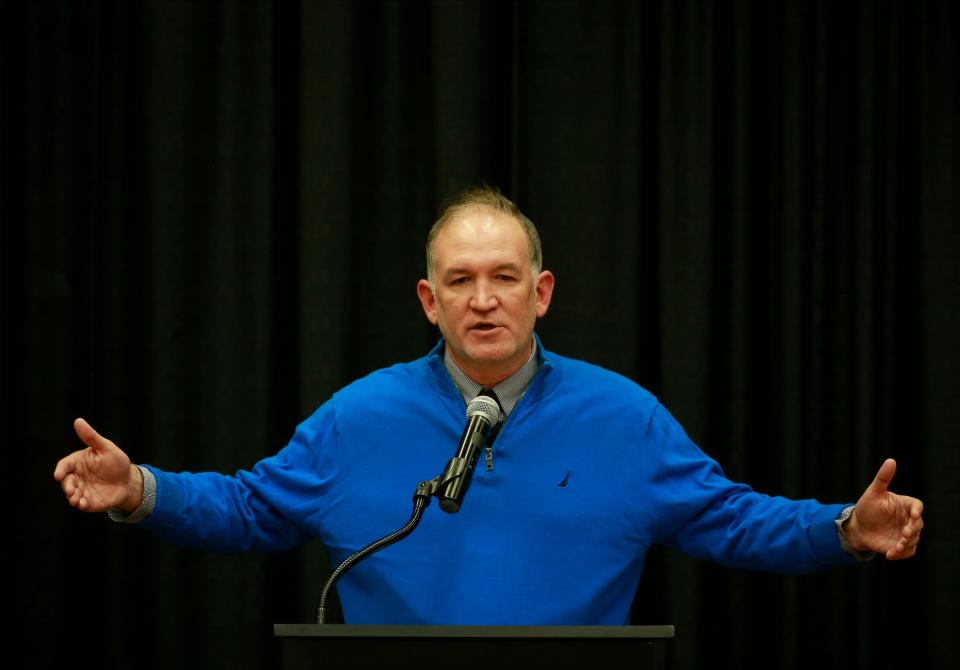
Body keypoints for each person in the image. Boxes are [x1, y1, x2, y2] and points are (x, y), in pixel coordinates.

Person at [54, 185, 924, 625]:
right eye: (460, 282)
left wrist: (844, 529)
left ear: (541, 293)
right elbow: (251, 507)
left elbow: (732, 519)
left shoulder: (626, 419)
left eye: (504, 278)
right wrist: (141, 491)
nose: (484, 300)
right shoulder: (359, 418)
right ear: (429, 303)